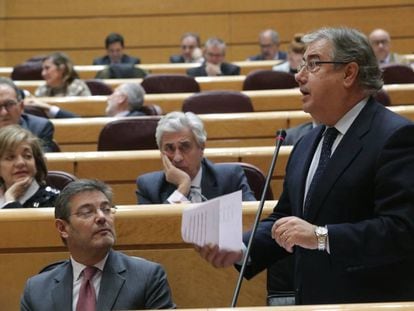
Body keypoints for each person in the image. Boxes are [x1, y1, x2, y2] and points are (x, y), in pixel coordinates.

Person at [196, 27, 414, 305]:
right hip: (310, 300)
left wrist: (321, 236)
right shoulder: (306, 142)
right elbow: (286, 218)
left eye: (313, 64)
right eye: (301, 65)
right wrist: (240, 248)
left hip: (368, 303)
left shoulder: (395, 137)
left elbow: (402, 231)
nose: (299, 75)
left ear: (349, 73)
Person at [21, 179, 175, 310]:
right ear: (63, 228)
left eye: (106, 209)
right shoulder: (37, 291)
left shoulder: (147, 278)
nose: (102, 217)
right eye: (87, 212)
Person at [136, 111, 256, 204]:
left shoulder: (231, 178)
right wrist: (183, 187)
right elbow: (154, 230)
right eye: (169, 148)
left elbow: (252, 221)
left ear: (201, 147)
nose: (177, 158)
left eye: (185, 146)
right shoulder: (149, 187)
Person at [0, 125, 59, 209]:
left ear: (36, 163)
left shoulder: (52, 200)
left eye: (27, 156)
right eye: (10, 157)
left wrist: (10, 200)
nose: (21, 163)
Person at [0, 77, 55, 152]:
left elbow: (40, 162)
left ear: (21, 106)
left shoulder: (39, 128)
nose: (4, 112)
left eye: (10, 104)